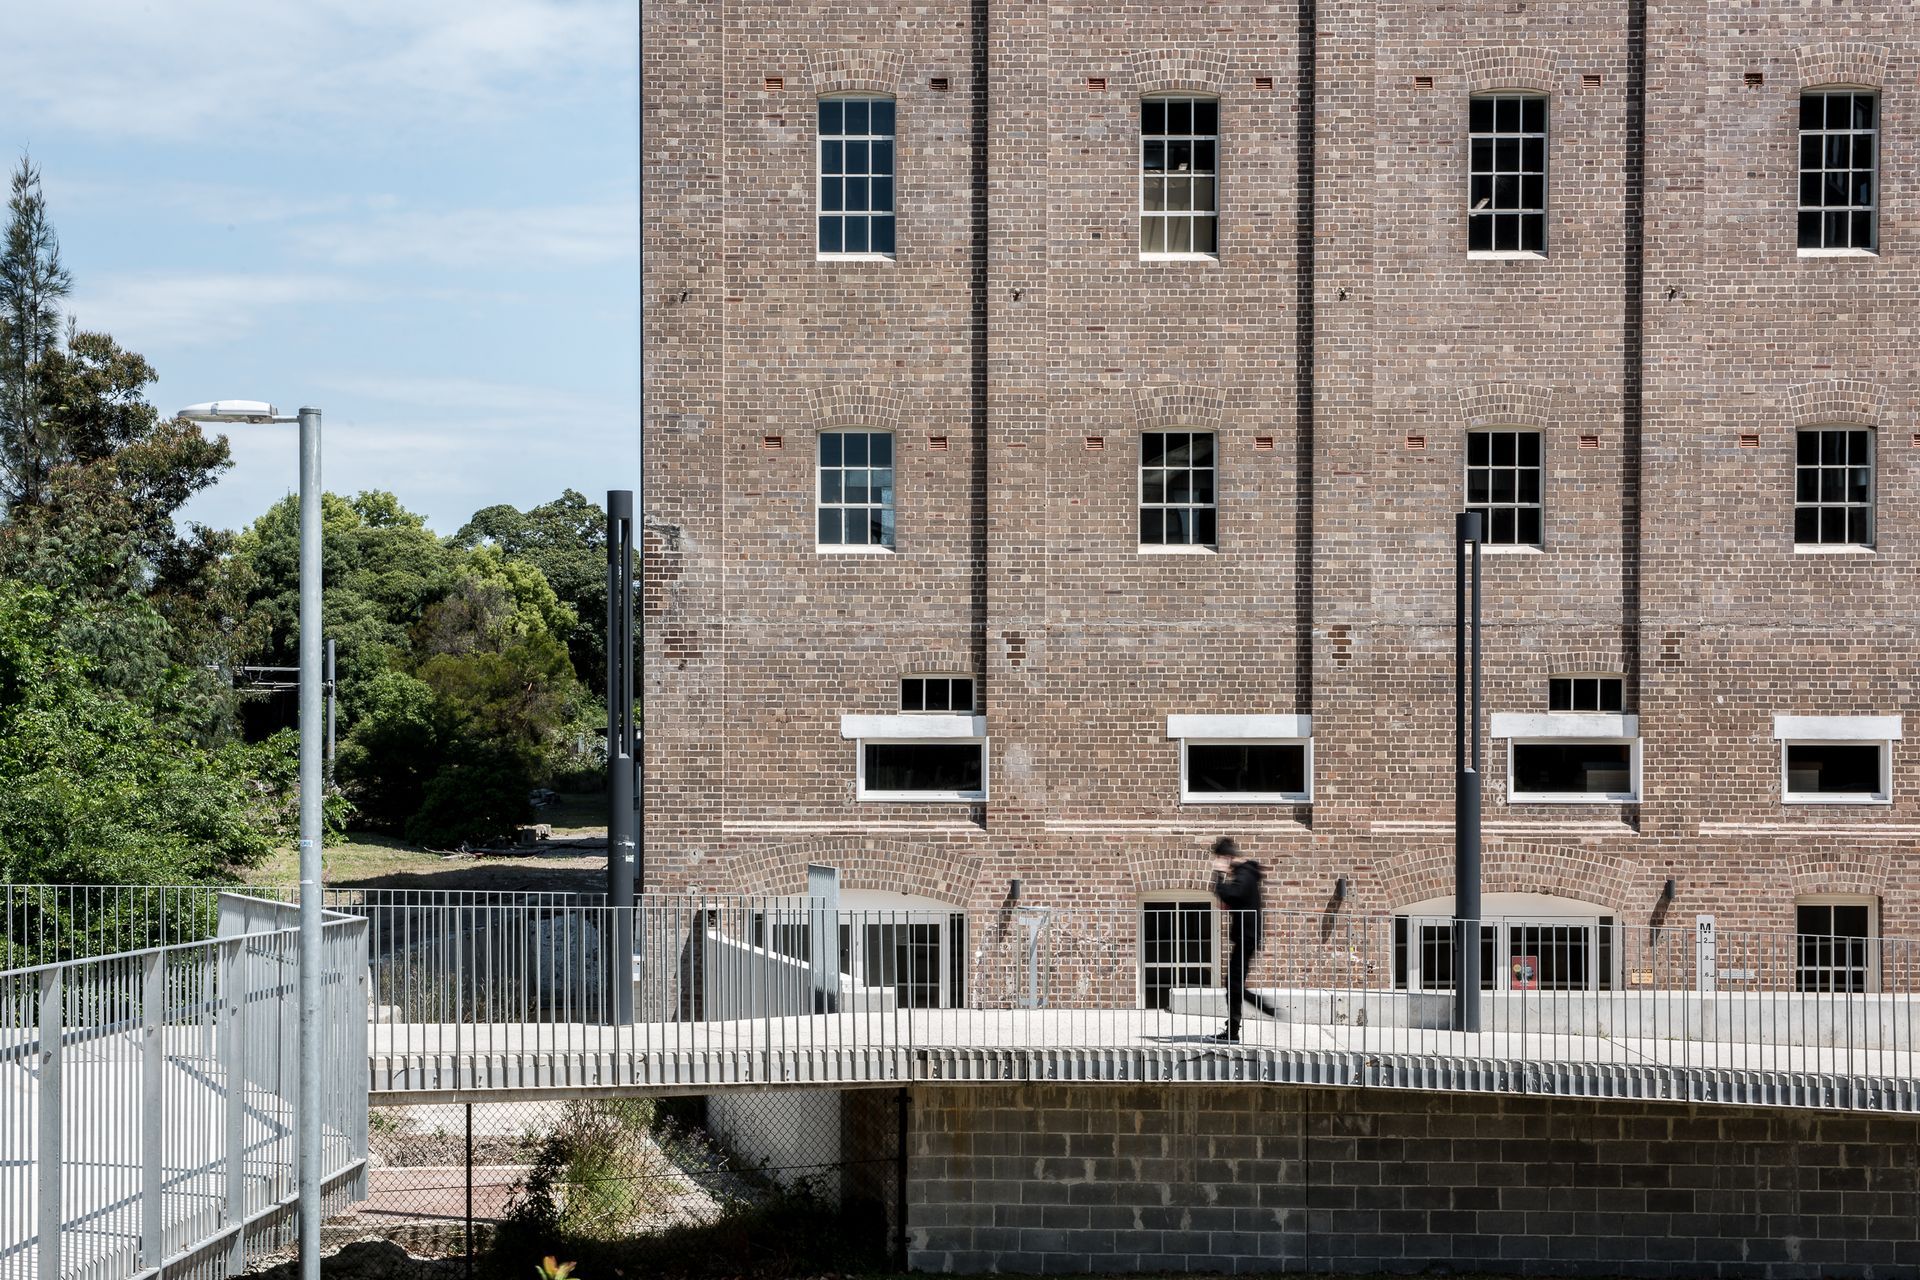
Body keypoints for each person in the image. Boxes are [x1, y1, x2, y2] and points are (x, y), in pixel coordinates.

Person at [1209, 836, 1276, 1043]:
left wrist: (1219, 876)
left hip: (1246, 938)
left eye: (1221, 858)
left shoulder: (1245, 874)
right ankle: (1234, 1029)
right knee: (1233, 983)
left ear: (1227, 857)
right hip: (1244, 937)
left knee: (1234, 984)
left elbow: (1231, 894)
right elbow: (1233, 898)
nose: (1221, 863)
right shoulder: (1245, 873)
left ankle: (1263, 1011)